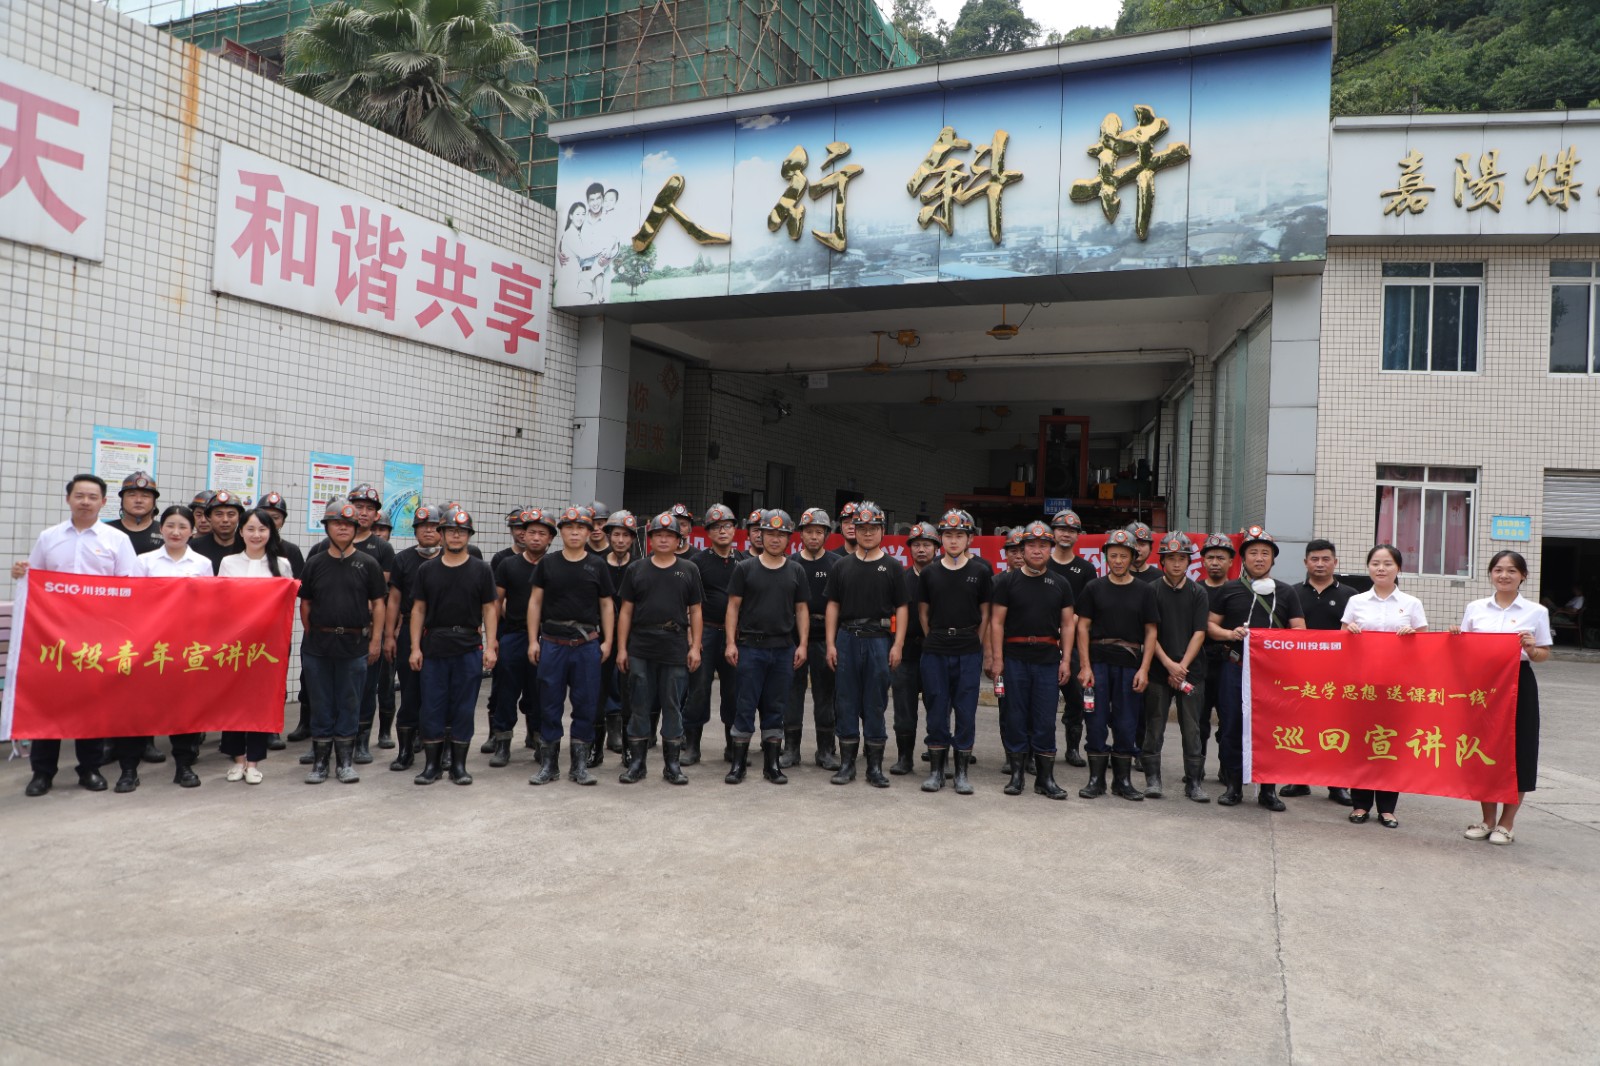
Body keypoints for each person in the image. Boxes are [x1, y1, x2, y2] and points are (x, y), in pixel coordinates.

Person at [13, 474, 139, 796]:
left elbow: (130, 586)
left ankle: (90, 769)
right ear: (68, 498)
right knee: (48, 703)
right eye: (79, 495)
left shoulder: (116, 540)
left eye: (92, 497)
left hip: (96, 637)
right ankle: (42, 772)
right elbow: (36, 580)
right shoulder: (49, 537)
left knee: (91, 703)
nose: (85, 502)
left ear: (103, 502)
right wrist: (21, 574)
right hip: (53, 635)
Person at [1455, 550, 1552, 846]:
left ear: (1523, 576)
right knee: (1483, 748)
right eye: (1498, 569)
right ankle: (1487, 820)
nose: (1504, 575)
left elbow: (1543, 655)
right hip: (1483, 687)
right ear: (1490, 574)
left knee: (1519, 750)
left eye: (1511, 570)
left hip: (1518, 683)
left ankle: (1506, 823)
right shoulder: (1475, 608)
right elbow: (1464, 649)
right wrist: (1454, 638)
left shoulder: (1536, 612)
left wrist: (1532, 648)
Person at [113, 504, 212, 793]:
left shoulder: (202, 564)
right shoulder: (144, 561)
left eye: (183, 527)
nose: (176, 532)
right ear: (161, 528)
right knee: (136, 708)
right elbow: (132, 603)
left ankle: (184, 765)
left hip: (185, 646)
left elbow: (208, 606)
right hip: (148, 645)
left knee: (184, 708)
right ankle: (128, 769)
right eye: (170, 526)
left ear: (192, 531)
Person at [1207, 524, 1306, 810]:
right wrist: (1230, 634)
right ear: (1243, 558)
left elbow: (1300, 630)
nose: (1259, 558)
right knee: (1232, 725)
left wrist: (1276, 640)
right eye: (1253, 553)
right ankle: (1234, 786)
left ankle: (1268, 790)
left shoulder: (1286, 592)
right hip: (1235, 668)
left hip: (1273, 675)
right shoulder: (1229, 590)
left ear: (1273, 559)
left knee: (1271, 729)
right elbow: (1210, 625)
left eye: (1265, 553)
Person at [298, 500, 387, 785]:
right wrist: (312, 632)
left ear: (356, 528)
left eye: (348, 524)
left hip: (354, 645)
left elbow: (379, 603)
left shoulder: (368, 563)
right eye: (337, 523)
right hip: (318, 646)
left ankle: (345, 762)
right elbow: (305, 603)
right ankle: (320, 762)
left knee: (350, 702)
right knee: (321, 701)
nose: (343, 528)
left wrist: (375, 640)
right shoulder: (315, 562)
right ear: (327, 527)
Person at [1340, 544, 1428, 828]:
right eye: (1375, 563)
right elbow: (1342, 640)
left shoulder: (1411, 603)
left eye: (1387, 563)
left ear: (1398, 568)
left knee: (1390, 744)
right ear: (1368, 567)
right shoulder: (1356, 601)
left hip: (1395, 687)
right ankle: (1360, 804)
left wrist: (1413, 636)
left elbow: (1426, 646)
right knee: (1361, 744)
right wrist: (1350, 633)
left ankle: (1388, 808)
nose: (1381, 568)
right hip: (1362, 685)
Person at [409, 508, 498, 786]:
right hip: (434, 647)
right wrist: (415, 647)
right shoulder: (427, 570)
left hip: (468, 648)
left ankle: (459, 766)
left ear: (469, 536)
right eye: (451, 531)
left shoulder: (481, 569)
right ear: (442, 534)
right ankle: (432, 766)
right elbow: (418, 609)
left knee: (463, 708)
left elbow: (490, 609)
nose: (456, 535)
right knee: (432, 707)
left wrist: (491, 647)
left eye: (461, 531)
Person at [527, 506, 616, 785]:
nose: (575, 532)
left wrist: (608, 641)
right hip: (552, 643)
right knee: (549, 703)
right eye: (569, 528)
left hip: (586, 645)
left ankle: (579, 766)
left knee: (586, 703)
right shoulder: (548, 563)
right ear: (561, 533)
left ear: (589, 533)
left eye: (581, 528)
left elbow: (607, 605)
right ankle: (549, 765)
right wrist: (532, 640)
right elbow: (535, 602)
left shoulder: (597, 565)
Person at [615, 512, 705, 784]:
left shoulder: (689, 569)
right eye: (658, 535)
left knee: (672, 705)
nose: (664, 539)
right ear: (650, 539)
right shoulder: (636, 569)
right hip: (641, 645)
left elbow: (696, 611)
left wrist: (695, 647)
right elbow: (625, 612)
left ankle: (672, 766)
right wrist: (622, 649)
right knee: (639, 704)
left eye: (669, 536)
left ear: (679, 540)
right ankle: (637, 764)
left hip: (674, 645)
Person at [824, 501, 907, 787]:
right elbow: (832, 606)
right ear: (853, 530)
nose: (867, 533)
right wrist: (830, 643)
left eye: (873, 528)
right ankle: (847, 765)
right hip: (847, 638)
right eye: (862, 528)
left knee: (875, 702)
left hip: (879, 640)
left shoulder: (893, 567)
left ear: (882, 530)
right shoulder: (841, 566)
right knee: (845, 700)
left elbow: (902, 608)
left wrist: (898, 645)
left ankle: (874, 767)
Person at [991, 521, 1074, 799]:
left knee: (1045, 718)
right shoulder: (1007, 582)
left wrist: (1066, 660)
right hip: (1014, 658)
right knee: (1014, 715)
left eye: (1043, 546)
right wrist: (997, 659)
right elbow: (996, 623)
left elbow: (1068, 624)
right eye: (1031, 546)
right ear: (1023, 549)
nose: (1037, 551)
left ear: (1051, 549)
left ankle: (1045, 778)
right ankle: (1016, 775)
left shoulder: (1061, 584)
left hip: (1047, 659)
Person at [1074, 528, 1158, 801]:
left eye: (1123, 556)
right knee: (1095, 720)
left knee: (1126, 722)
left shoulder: (1145, 591)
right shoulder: (1093, 588)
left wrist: (1144, 669)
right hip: (1098, 662)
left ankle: (1122, 781)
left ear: (1133, 557)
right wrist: (1084, 666)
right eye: (1113, 555)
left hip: (1130, 664)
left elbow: (1151, 632)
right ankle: (1095, 780)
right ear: (1106, 557)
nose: (1118, 561)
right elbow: (1082, 627)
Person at [724, 509, 807, 785]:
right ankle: (738, 765)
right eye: (770, 533)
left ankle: (772, 765)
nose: (775, 539)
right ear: (760, 535)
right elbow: (733, 607)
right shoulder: (745, 568)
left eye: (781, 534)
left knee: (776, 707)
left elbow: (802, 610)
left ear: (789, 538)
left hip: (783, 648)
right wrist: (730, 643)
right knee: (745, 705)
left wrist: (803, 644)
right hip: (750, 648)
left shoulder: (796, 570)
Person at [917, 509, 993, 795]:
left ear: (969, 539)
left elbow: (985, 612)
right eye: (948, 535)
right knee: (936, 708)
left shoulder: (980, 571)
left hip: (968, 648)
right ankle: (936, 772)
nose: (953, 540)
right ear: (941, 539)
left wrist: (976, 641)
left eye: (959, 535)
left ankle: (961, 773)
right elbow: (923, 612)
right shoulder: (930, 572)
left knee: (966, 709)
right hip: (936, 648)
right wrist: (934, 637)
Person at [217, 508, 294, 784]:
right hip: (234, 644)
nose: (256, 534)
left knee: (260, 701)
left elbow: (286, 606)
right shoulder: (228, 562)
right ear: (241, 532)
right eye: (250, 529)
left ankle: (254, 762)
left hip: (266, 646)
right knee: (233, 701)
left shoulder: (282, 565)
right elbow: (221, 602)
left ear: (270, 533)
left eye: (262, 529)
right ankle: (237, 760)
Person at [1282, 539, 1356, 805]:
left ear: (1335, 562)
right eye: (1315, 559)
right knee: (1301, 727)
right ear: (1305, 563)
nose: (1320, 564)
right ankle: (1299, 779)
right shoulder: (1291, 593)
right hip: (1301, 674)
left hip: (1338, 675)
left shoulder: (1351, 596)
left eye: (1326, 559)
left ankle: (1337, 784)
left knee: (1336, 728)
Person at [1141, 533, 1211, 801]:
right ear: (1162, 561)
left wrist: (1181, 667)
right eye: (1171, 558)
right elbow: (1150, 633)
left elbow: (1200, 632)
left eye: (1182, 558)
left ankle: (1194, 783)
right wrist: (1169, 665)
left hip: (1191, 671)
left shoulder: (1198, 592)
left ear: (1189, 562)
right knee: (1154, 725)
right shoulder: (1151, 590)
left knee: (1192, 728)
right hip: (1159, 670)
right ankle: (1153, 780)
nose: (1177, 563)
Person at [386, 504, 443, 772]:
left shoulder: (452, 558)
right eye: (422, 527)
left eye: (433, 526)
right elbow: (394, 600)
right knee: (410, 692)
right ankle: (405, 751)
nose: (428, 531)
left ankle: (441, 751)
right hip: (410, 630)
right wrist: (389, 636)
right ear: (415, 531)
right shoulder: (403, 560)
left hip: (442, 633)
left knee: (441, 694)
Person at [686, 504, 741, 765]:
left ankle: (733, 746)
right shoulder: (697, 563)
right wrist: (692, 640)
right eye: (716, 527)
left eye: (727, 526)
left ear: (734, 529)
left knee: (734, 691)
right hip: (705, 633)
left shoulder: (744, 562)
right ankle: (692, 746)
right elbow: (688, 603)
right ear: (707, 533)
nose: (722, 531)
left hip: (735, 637)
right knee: (698, 690)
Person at [788, 508, 839, 770]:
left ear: (827, 535)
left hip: (825, 637)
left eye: (819, 532)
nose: (814, 536)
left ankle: (826, 750)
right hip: (794, 637)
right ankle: (791, 749)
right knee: (792, 694)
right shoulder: (791, 563)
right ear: (801, 534)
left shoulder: (836, 564)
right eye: (809, 532)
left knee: (825, 695)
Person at [1047, 509, 1095, 767]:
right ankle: (1041, 748)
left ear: (1078, 535)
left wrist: (1065, 627)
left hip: (1074, 643)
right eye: (1061, 529)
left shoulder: (1086, 569)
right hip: (1043, 641)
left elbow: (1087, 609)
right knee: (1042, 697)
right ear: (1052, 532)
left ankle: (1073, 748)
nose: (1066, 534)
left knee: (1076, 697)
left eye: (1071, 530)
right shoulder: (1042, 563)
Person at [889, 522, 937, 776]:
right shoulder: (901, 579)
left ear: (936, 548)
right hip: (906, 652)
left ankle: (937, 755)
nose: (921, 549)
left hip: (935, 653)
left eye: (926, 545)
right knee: (904, 709)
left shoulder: (943, 576)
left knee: (937, 706)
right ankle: (904, 758)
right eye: (916, 545)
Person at [598, 510, 639, 756]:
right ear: (609, 536)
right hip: (601, 635)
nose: (620, 540)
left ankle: (627, 744)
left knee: (629, 689)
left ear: (632, 538)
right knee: (600, 687)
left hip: (632, 636)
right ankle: (598, 742)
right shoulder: (598, 564)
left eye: (625, 535)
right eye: (616, 535)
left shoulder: (639, 567)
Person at [1196, 533, 1236, 778]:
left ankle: (1226, 768)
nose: (1215, 562)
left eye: (1221, 558)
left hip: (1228, 662)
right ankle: (1196, 768)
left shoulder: (1239, 590)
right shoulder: (1194, 589)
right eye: (1210, 557)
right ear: (1203, 560)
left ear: (1231, 561)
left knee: (1228, 718)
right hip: (1199, 661)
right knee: (1198, 720)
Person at [191, 489, 247, 573]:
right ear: (209, 517)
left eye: (231, 514)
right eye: (219, 514)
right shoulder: (193, 547)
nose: (225, 520)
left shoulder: (247, 547)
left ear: (239, 517)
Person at [108, 472, 161, 554]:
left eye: (145, 496)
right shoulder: (106, 531)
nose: (138, 500)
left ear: (154, 502)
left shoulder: (165, 532)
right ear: (122, 500)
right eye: (132, 495)